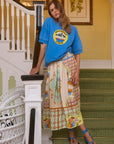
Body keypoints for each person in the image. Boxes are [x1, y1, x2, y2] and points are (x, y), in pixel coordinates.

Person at [30, 0, 96, 144]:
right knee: (60, 100)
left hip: (68, 65)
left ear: (61, 8)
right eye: (51, 10)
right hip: (53, 68)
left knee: (71, 101)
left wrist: (77, 72)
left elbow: (77, 52)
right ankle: (72, 134)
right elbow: (43, 46)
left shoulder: (72, 29)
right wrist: (37, 66)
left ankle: (85, 134)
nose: (54, 11)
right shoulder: (48, 23)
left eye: (56, 8)